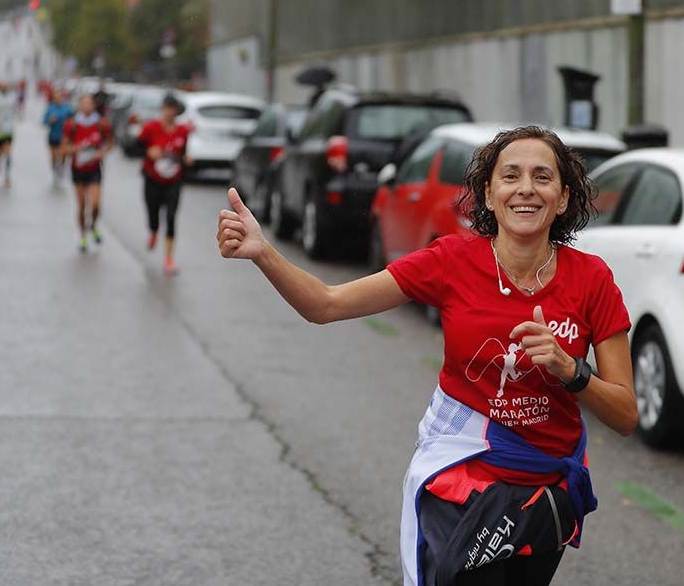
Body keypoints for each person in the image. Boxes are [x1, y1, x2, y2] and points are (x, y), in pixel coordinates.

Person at [217, 126, 638, 586]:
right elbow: (325, 304)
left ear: (562, 198)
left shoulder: (592, 279)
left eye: (542, 177)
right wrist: (263, 252)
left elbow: (624, 414)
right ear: (488, 194)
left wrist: (570, 370)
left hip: (546, 488)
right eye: (510, 176)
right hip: (462, 478)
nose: (525, 189)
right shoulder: (451, 261)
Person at [138, 93, 191, 275]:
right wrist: (148, 152)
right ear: (162, 109)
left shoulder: (183, 131)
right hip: (152, 180)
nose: (169, 113)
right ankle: (153, 232)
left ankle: (169, 259)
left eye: (172, 109)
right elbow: (135, 147)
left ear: (176, 111)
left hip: (173, 182)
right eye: (166, 109)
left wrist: (186, 160)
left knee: (170, 217)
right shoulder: (150, 128)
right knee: (154, 214)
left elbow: (183, 154)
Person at [63, 94, 114, 252]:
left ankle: (93, 226)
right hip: (78, 169)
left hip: (94, 170)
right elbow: (64, 147)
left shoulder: (101, 124)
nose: (86, 107)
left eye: (89, 104)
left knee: (96, 204)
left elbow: (110, 143)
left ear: (93, 106)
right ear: (79, 106)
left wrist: (102, 152)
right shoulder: (72, 124)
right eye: (83, 104)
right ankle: (83, 236)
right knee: (82, 205)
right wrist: (74, 149)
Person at [43, 89, 73, 183]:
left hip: (64, 137)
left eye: (60, 97)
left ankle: (61, 168)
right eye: (56, 97)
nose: (58, 99)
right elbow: (43, 121)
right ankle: (54, 171)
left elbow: (73, 120)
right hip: (53, 136)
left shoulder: (67, 108)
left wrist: (68, 123)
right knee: (54, 156)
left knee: (63, 155)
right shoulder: (50, 108)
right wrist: (50, 120)